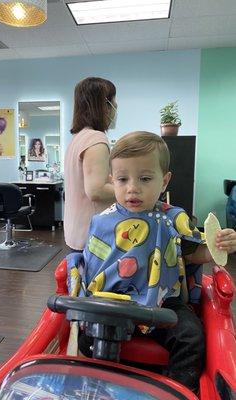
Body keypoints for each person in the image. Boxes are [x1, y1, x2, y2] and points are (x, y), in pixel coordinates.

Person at [67, 131, 236, 392]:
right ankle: (100, 388)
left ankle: (172, 391)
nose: (132, 187)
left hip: (162, 301)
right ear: (112, 180)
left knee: (191, 337)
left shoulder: (173, 219)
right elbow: (93, 267)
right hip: (113, 301)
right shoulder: (101, 222)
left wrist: (217, 246)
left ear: (164, 180)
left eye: (145, 178)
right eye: (123, 179)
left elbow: (192, 253)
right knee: (88, 336)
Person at [64, 77, 118, 252]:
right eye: (114, 102)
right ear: (104, 105)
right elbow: (96, 190)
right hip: (92, 237)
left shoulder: (78, 139)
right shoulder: (96, 139)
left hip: (77, 232)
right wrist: (130, 189)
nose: (116, 107)